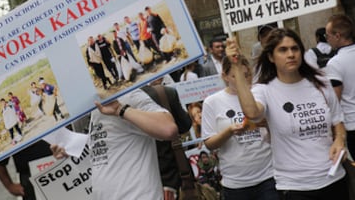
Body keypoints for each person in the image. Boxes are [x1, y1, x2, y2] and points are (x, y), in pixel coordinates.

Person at [225, 28, 348, 200]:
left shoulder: (321, 82)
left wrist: (339, 140)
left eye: (295, 48)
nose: (291, 54)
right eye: (283, 50)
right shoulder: (264, 90)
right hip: (295, 187)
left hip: (334, 179)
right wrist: (237, 68)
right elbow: (252, 113)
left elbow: (338, 121)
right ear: (270, 57)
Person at [52, 89, 178, 200]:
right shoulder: (92, 109)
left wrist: (120, 109)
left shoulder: (127, 95)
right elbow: (106, 158)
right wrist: (68, 152)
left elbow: (169, 129)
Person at [202, 55, 277, 200]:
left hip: (268, 175)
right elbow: (209, 143)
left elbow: (280, 132)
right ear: (225, 76)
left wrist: (266, 124)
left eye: (246, 75)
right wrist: (229, 131)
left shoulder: (260, 93)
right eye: (236, 76)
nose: (243, 81)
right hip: (235, 182)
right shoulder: (212, 102)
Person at [142, 76, 192, 200]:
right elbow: (185, 125)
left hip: (141, 180)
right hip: (172, 173)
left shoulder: (113, 105)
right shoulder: (165, 93)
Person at [324, 14, 355, 158]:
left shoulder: (335, 63)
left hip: (352, 123)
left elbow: (334, 98)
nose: (327, 39)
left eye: (328, 35)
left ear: (337, 36)